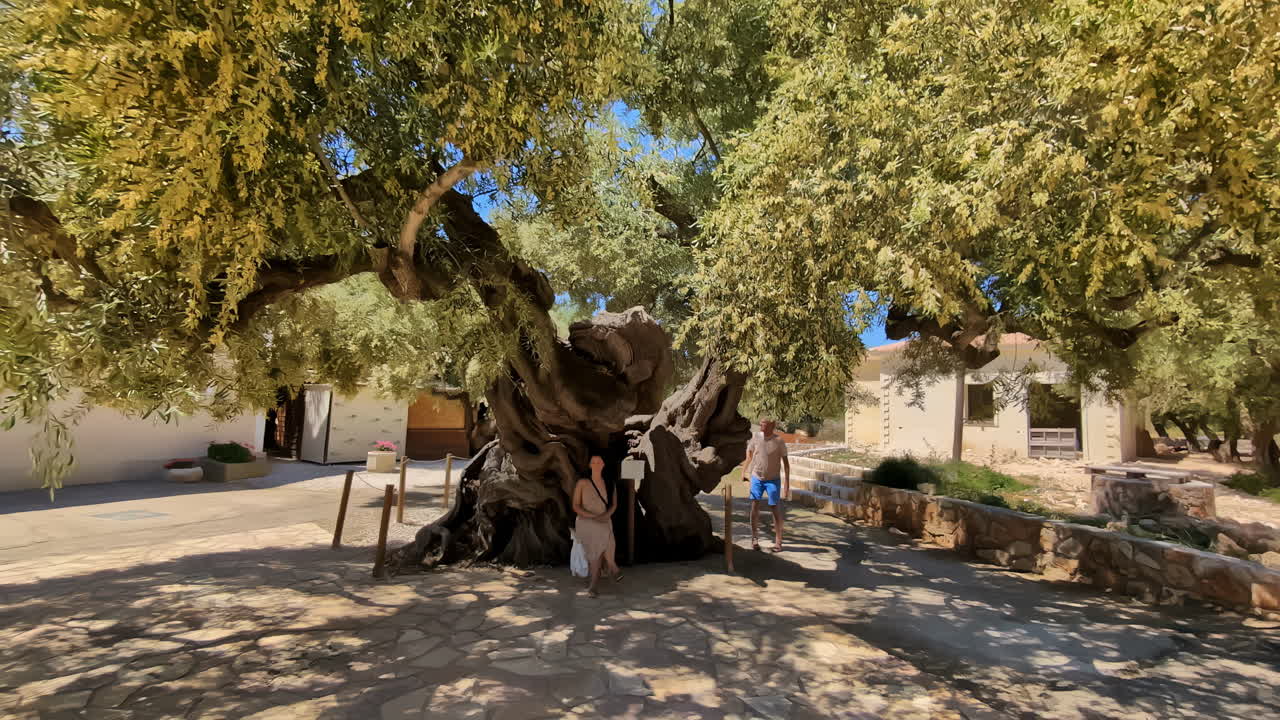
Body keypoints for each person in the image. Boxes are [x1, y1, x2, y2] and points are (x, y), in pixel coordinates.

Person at [573, 455, 621, 596]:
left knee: (601, 540)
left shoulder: (610, 483)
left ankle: (594, 584)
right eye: (593, 461)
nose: (596, 464)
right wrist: (593, 516)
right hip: (585, 520)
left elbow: (614, 505)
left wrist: (606, 515)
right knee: (601, 537)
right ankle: (612, 566)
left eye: (599, 461)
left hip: (604, 519)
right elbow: (575, 506)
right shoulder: (582, 483)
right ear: (589, 464)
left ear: (604, 464)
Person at [741, 419, 790, 552]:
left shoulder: (779, 441)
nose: (762, 425)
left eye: (765, 423)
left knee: (774, 507)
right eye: (761, 423)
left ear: (772, 426)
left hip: (773, 479)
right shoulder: (756, 437)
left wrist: (787, 484)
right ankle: (754, 538)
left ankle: (778, 541)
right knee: (754, 505)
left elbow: (786, 464)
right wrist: (744, 471)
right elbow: (749, 454)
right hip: (757, 477)